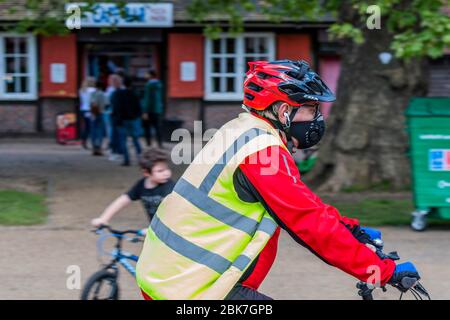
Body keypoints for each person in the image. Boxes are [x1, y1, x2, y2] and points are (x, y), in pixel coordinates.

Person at [135, 60, 421, 300]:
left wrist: (352, 230)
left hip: (169, 272)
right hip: (190, 287)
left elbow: (300, 202)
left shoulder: (242, 129)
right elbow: (308, 223)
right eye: (311, 109)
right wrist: (383, 270)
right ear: (284, 111)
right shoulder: (262, 154)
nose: (318, 118)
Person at [91, 147, 175, 228]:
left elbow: (170, 213)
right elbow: (122, 201)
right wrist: (103, 219)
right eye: (160, 171)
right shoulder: (142, 185)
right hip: (156, 230)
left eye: (167, 169)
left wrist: (155, 229)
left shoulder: (170, 187)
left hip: (172, 229)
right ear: (146, 172)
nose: (166, 173)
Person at [110, 76, 142, 166]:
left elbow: (115, 107)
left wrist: (116, 118)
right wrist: (136, 116)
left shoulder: (118, 94)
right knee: (135, 139)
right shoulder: (134, 94)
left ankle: (127, 159)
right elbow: (139, 107)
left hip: (122, 120)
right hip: (132, 119)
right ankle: (140, 157)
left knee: (123, 140)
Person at [142, 69, 164, 147]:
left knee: (147, 127)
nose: (146, 76)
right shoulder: (159, 84)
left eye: (147, 74)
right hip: (158, 110)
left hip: (150, 110)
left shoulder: (149, 85)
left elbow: (147, 99)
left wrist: (145, 111)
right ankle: (160, 143)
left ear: (151, 75)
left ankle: (149, 143)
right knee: (157, 127)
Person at [89, 81, 107, 156]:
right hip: (100, 113)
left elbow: (91, 103)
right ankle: (98, 147)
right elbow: (106, 103)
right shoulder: (102, 94)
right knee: (99, 131)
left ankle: (94, 148)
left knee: (93, 131)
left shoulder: (92, 94)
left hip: (93, 114)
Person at [79, 77, 96, 149]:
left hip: (83, 109)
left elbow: (82, 101)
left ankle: (84, 141)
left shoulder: (81, 90)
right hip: (90, 110)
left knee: (86, 127)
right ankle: (93, 143)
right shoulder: (93, 90)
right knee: (92, 127)